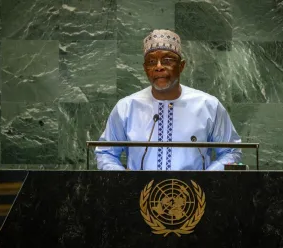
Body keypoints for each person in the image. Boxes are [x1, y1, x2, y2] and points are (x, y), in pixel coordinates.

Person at [95, 29, 242, 171]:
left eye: (166, 60)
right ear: (145, 68)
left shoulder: (208, 106)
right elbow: (106, 153)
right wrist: (125, 181)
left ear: (181, 66)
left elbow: (231, 151)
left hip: (194, 195)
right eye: (151, 62)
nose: (158, 67)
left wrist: (205, 180)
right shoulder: (126, 107)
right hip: (140, 195)